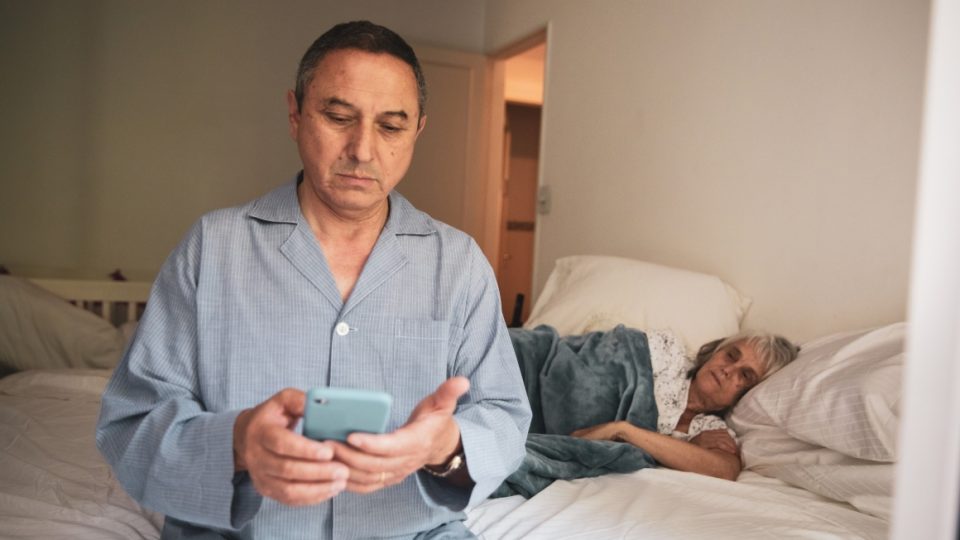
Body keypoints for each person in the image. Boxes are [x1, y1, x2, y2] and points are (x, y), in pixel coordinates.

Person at [96, 20, 531, 539]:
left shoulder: (458, 264)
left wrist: (445, 447)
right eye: (339, 116)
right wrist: (236, 442)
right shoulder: (212, 248)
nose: (363, 149)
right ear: (295, 114)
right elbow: (131, 424)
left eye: (391, 127)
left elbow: (504, 415)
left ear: (417, 131)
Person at [572, 330, 798, 480]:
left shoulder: (708, 429)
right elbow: (597, 362)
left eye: (745, 375)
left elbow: (725, 470)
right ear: (715, 352)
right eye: (731, 355)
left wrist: (623, 430)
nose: (728, 369)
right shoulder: (668, 354)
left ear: (750, 393)